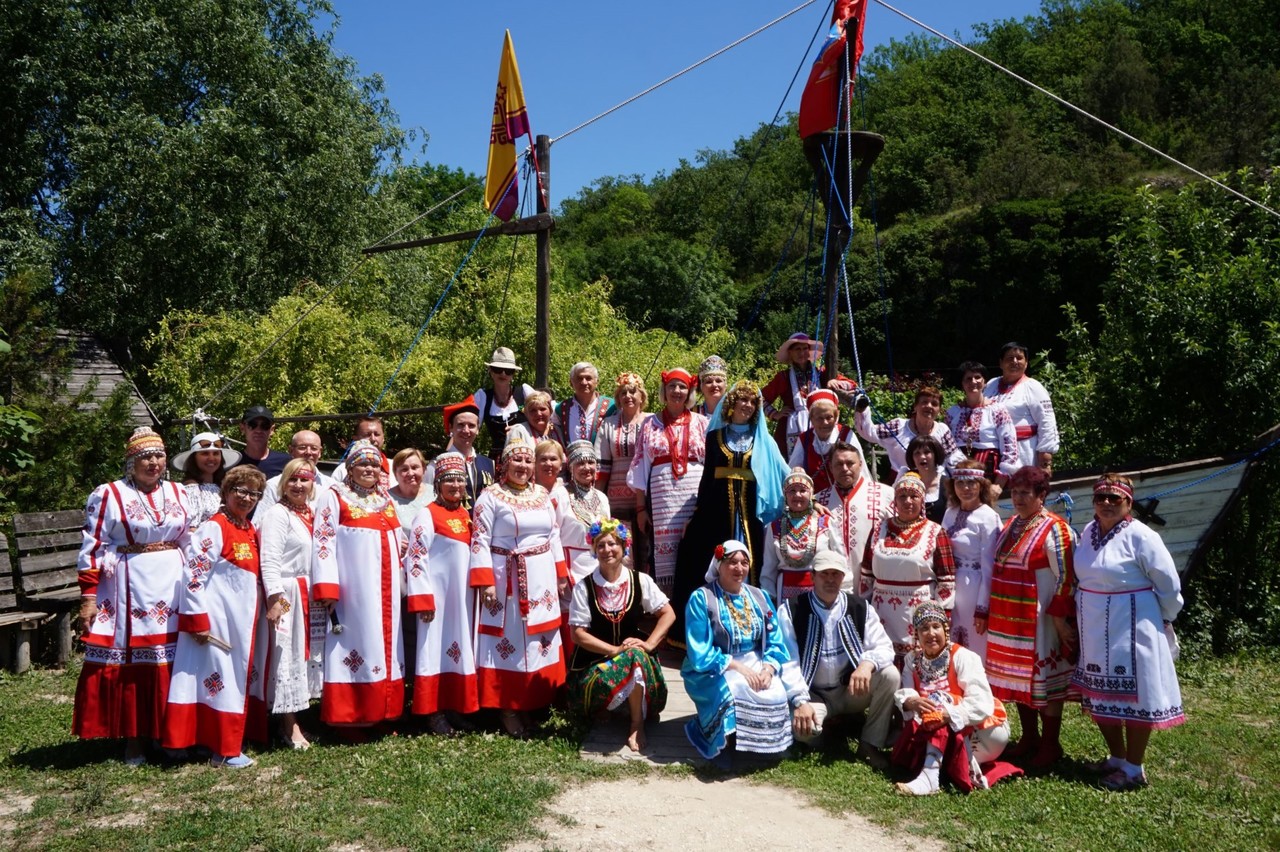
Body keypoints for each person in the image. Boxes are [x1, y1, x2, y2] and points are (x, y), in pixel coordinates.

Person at [74, 427, 194, 765]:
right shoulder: (109, 494)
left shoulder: (179, 492)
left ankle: (171, 735)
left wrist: (199, 582)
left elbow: (189, 539)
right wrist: (89, 595)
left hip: (172, 586)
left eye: (158, 455)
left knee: (173, 661)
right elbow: (93, 545)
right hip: (129, 586)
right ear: (131, 462)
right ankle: (135, 741)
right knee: (133, 663)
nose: (153, 462)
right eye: (145, 457)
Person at [1072, 474, 1186, 791]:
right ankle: (1117, 758)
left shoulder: (1142, 536)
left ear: (1128, 503)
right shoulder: (1088, 532)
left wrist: (1165, 618)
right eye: (1100, 498)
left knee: (1137, 695)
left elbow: (1168, 584)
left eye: (1114, 498)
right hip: (1095, 624)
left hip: (1134, 622)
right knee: (1101, 692)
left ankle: (1135, 768)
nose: (1106, 503)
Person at [163, 466, 268, 768]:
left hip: (241, 621)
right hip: (217, 622)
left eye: (254, 493)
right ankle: (222, 749)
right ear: (226, 492)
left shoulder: (248, 528)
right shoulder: (215, 526)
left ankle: (223, 742)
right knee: (216, 681)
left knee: (227, 681)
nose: (247, 498)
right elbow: (193, 573)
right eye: (241, 491)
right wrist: (196, 618)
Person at [470, 433, 568, 737]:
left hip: (541, 580)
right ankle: (508, 709)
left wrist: (560, 573)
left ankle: (529, 704)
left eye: (528, 460)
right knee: (509, 641)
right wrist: (485, 581)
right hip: (505, 580)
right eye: (517, 459)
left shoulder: (541, 495)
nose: (523, 465)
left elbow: (553, 535)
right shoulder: (490, 497)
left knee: (536, 641)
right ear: (504, 463)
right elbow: (480, 539)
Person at [673, 379, 789, 637]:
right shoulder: (714, 438)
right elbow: (707, 479)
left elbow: (783, 470)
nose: (747, 405)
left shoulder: (762, 440)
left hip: (749, 515)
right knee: (710, 560)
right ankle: (715, 626)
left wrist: (805, 493)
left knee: (750, 565)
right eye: (742, 400)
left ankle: (750, 626)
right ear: (731, 404)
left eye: (752, 401)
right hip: (716, 514)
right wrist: (694, 516)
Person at [312, 439, 408, 732]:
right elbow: (323, 540)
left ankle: (384, 711)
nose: (369, 469)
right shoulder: (334, 496)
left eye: (375, 464)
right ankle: (352, 717)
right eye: (363, 464)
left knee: (386, 647)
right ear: (350, 468)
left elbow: (398, 536)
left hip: (387, 590)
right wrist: (327, 587)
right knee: (357, 644)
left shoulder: (385, 499)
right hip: (355, 591)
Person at [682, 540, 806, 764]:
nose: (739, 568)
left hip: (756, 659)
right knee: (737, 686)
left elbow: (775, 639)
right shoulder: (702, 598)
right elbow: (699, 650)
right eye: (732, 562)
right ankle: (726, 745)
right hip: (715, 665)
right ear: (718, 565)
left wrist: (768, 669)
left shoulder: (759, 596)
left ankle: (765, 747)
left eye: (744, 562)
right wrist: (738, 668)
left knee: (775, 689)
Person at [985, 465, 1076, 768]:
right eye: (1015, 492)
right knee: (1018, 682)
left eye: (1026, 493)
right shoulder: (1010, 523)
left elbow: (1066, 578)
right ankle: (1029, 738)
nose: (1019, 498)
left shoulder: (1055, 528)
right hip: (1009, 619)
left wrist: (1059, 620)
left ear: (1041, 495)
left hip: (1040, 621)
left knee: (1044, 682)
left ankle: (1050, 745)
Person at [779, 550, 898, 767]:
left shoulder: (859, 607)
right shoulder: (792, 610)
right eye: (825, 574)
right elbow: (787, 662)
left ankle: (869, 743)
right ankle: (828, 734)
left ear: (843, 578)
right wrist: (801, 701)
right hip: (814, 694)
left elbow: (884, 647)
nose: (831, 580)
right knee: (804, 731)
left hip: (850, 691)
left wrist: (866, 665)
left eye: (836, 574)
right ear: (813, 576)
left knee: (889, 675)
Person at [568, 518, 675, 753]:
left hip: (635, 655)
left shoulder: (639, 580)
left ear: (624, 547)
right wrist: (614, 651)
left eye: (613, 544)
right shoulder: (584, 587)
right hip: (594, 665)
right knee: (629, 657)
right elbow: (577, 635)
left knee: (635, 656)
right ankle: (610, 707)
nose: (607, 550)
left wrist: (648, 644)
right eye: (601, 545)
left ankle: (636, 723)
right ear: (594, 551)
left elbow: (668, 614)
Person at [891, 602, 1011, 795]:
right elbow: (907, 694)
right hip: (941, 731)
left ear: (945, 630)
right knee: (928, 709)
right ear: (917, 635)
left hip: (984, 732)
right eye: (924, 628)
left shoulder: (963, 657)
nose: (930, 633)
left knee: (938, 699)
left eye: (936, 626)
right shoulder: (912, 661)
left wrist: (947, 713)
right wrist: (911, 702)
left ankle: (930, 776)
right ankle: (936, 765)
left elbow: (981, 703)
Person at [404, 452, 480, 735]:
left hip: (461, 600)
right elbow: (415, 557)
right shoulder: (427, 513)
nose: (456, 485)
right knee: (432, 651)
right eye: (449, 480)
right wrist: (423, 596)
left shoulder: (465, 514)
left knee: (457, 651)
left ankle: (453, 707)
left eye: (460, 480)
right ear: (437, 484)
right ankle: (432, 712)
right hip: (435, 599)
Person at [860, 472, 957, 665]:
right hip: (882, 612)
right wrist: (864, 611)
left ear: (922, 500)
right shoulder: (879, 530)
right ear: (894, 501)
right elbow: (867, 574)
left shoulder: (936, 532)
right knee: (883, 658)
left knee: (918, 663)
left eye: (914, 496)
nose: (908, 501)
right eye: (902, 496)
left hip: (918, 611)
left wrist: (942, 618)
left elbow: (946, 579)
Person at [257, 459, 322, 749]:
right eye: (292, 479)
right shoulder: (277, 514)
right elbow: (269, 559)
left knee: (302, 655)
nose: (298, 485)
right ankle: (288, 726)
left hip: (307, 592)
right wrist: (275, 598)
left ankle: (304, 719)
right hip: (286, 594)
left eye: (304, 480)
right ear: (283, 483)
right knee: (286, 654)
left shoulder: (311, 513)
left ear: (312, 485)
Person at [627, 368, 708, 592]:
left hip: (693, 498)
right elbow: (640, 466)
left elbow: (709, 465)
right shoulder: (650, 423)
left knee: (694, 550)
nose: (677, 391)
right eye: (672, 386)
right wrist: (641, 508)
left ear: (689, 391)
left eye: (682, 386)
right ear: (664, 390)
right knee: (663, 560)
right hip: (662, 500)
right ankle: (668, 613)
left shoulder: (702, 423)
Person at [942, 462, 1001, 660]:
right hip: (951, 586)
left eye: (971, 483)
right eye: (960, 483)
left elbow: (989, 566)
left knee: (975, 647)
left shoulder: (988, 517)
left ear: (981, 485)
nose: (965, 488)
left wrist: (982, 608)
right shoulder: (949, 513)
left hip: (975, 587)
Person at [815, 440, 892, 589]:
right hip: (832, 589)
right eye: (838, 464)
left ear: (861, 464)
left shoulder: (886, 495)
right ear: (830, 467)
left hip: (877, 587)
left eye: (850, 463)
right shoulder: (819, 500)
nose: (845, 469)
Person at [760, 468, 837, 604]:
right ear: (785, 495)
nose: (797, 495)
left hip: (820, 592)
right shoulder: (774, 526)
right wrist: (768, 601)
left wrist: (843, 594)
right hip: (784, 594)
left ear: (811, 493)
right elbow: (769, 568)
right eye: (792, 491)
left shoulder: (825, 522)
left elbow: (839, 558)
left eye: (802, 490)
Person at [598, 371, 650, 572]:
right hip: (616, 498)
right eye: (623, 393)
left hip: (645, 495)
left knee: (646, 550)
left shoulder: (651, 421)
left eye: (632, 392)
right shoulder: (609, 424)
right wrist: (599, 503)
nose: (628, 396)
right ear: (618, 398)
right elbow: (602, 467)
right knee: (622, 550)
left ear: (641, 396)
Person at [855, 386, 964, 479]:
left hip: (934, 485)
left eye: (934, 404)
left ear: (939, 410)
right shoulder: (898, 426)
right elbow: (869, 432)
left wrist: (969, 473)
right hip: (902, 484)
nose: (929, 406)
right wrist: (863, 408)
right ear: (915, 406)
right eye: (924, 402)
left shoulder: (942, 430)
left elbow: (954, 460)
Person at [983, 342, 1058, 472]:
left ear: (1026, 363)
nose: (1015, 362)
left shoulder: (1033, 387)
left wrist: (1045, 455)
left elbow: (1047, 421)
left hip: (1024, 451)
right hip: (993, 450)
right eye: (1009, 358)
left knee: (1023, 488)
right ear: (1001, 363)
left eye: (1019, 358)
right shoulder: (991, 385)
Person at [946, 361, 1018, 493]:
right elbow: (946, 447)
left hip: (989, 474)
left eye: (977, 377)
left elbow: (1010, 446)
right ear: (962, 384)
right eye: (968, 378)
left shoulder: (997, 410)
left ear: (984, 382)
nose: (973, 381)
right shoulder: (953, 413)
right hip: (959, 475)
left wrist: (998, 484)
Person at [427, 397, 495, 514]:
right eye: (460, 425)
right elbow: (427, 500)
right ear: (451, 428)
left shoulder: (489, 464)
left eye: (471, 425)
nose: (466, 430)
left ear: (478, 429)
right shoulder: (436, 465)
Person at [762, 332, 825, 458]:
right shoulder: (783, 377)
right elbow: (759, 398)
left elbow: (842, 382)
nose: (801, 353)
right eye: (797, 349)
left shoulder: (820, 374)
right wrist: (775, 414)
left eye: (805, 348)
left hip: (820, 424)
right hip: (789, 429)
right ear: (790, 352)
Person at [557, 440, 612, 584]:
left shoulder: (602, 497)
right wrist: (560, 573)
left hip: (601, 567)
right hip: (571, 568)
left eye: (591, 462)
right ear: (571, 468)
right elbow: (552, 537)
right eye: (580, 463)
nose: (587, 468)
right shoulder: (560, 495)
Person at [788, 388, 861, 495]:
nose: (825, 422)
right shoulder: (805, 439)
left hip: (846, 496)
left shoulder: (846, 434)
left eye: (829, 417)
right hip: (815, 500)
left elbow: (860, 469)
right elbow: (793, 470)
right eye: (819, 418)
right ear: (811, 418)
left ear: (836, 416)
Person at [474, 346, 535, 460]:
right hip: (497, 460)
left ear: (513, 375)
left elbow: (544, 416)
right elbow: (469, 426)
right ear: (491, 372)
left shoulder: (524, 392)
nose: (503, 374)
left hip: (525, 458)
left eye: (508, 371)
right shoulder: (482, 397)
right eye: (498, 369)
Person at [173, 431, 242, 527]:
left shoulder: (222, 487)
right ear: (194, 458)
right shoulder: (191, 488)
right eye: (205, 453)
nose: (211, 458)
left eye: (216, 453)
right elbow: (191, 527)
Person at [259, 430, 333, 511]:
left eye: (314, 448)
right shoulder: (274, 485)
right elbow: (260, 521)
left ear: (320, 452)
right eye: (302, 447)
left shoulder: (332, 486)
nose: (308, 452)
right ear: (291, 450)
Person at [555, 362, 615, 454]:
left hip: (603, 465)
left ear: (597, 382)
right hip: (571, 465)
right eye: (579, 378)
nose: (584, 382)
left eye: (588, 378)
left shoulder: (612, 406)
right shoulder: (561, 408)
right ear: (571, 383)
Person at [330, 416, 397, 490]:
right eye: (367, 434)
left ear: (383, 438)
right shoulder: (342, 470)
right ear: (355, 439)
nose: (373, 439)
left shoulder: (397, 468)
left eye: (377, 434)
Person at [234, 405, 291, 478]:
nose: (258, 430)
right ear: (242, 428)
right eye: (252, 425)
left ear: (272, 430)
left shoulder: (286, 462)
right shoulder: (233, 462)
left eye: (265, 425)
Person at [389, 448, 435, 531]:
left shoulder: (436, 494)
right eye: (404, 469)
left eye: (414, 467)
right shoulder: (387, 500)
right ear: (395, 474)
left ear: (424, 470)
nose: (410, 473)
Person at [906, 434, 948, 523]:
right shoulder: (907, 482)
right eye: (917, 453)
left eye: (927, 452)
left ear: (936, 455)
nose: (922, 457)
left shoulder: (947, 484)